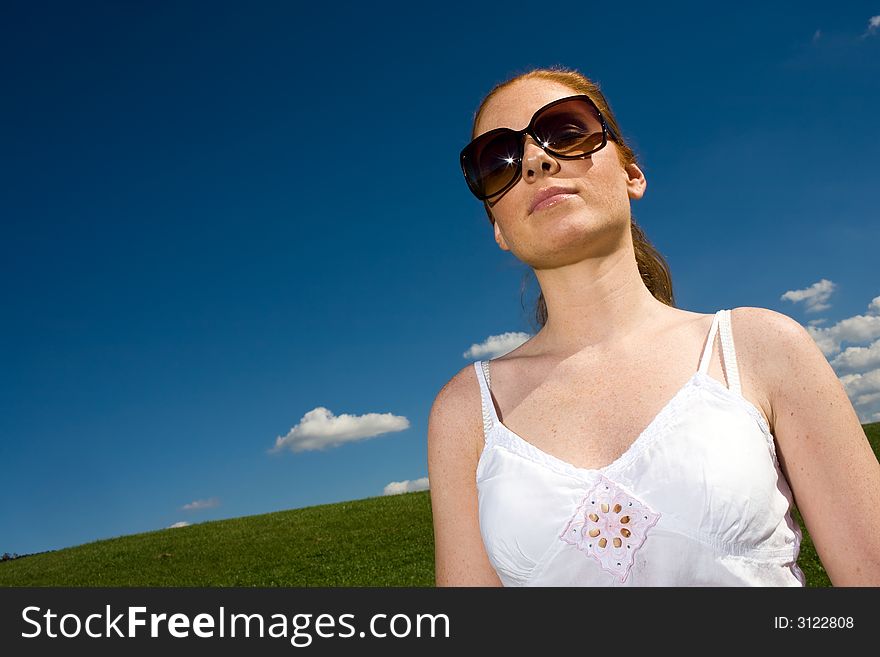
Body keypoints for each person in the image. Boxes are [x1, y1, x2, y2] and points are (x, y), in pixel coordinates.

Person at [427, 65, 880, 586]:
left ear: (631, 174)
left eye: (568, 131)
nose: (534, 159)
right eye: (497, 160)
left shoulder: (761, 347)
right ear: (498, 229)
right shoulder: (466, 412)